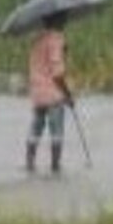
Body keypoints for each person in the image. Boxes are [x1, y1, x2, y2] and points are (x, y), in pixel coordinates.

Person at [26, 11, 75, 174]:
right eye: (63, 18)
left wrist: (64, 51)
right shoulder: (57, 39)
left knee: (35, 130)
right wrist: (68, 94)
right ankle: (55, 167)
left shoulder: (36, 40)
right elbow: (57, 73)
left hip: (37, 93)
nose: (65, 21)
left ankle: (30, 164)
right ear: (58, 20)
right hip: (54, 94)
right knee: (57, 133)